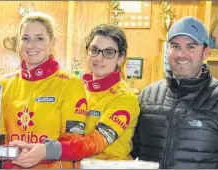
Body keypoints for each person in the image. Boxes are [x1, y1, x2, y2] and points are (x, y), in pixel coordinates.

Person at [9, 24, 140, 168]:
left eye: (108, 52)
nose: (99, 58)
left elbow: (95, 142)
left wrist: (47, 150)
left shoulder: (125, 98)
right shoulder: (76, 87)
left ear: (121, 58)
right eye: (94, 50)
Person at [131, 16, 218, 168]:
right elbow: (131, 151)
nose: (181, 54)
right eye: (175, 46)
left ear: (205, 52)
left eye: (191, 46)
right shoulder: (148, 95)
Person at [0, 12, 88, 169]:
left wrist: (43, 151)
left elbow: (74, 138)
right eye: (25, 39)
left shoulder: (71, 84)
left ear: (52, 42)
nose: (31, 45)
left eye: (39, 38)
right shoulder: (3, 84)